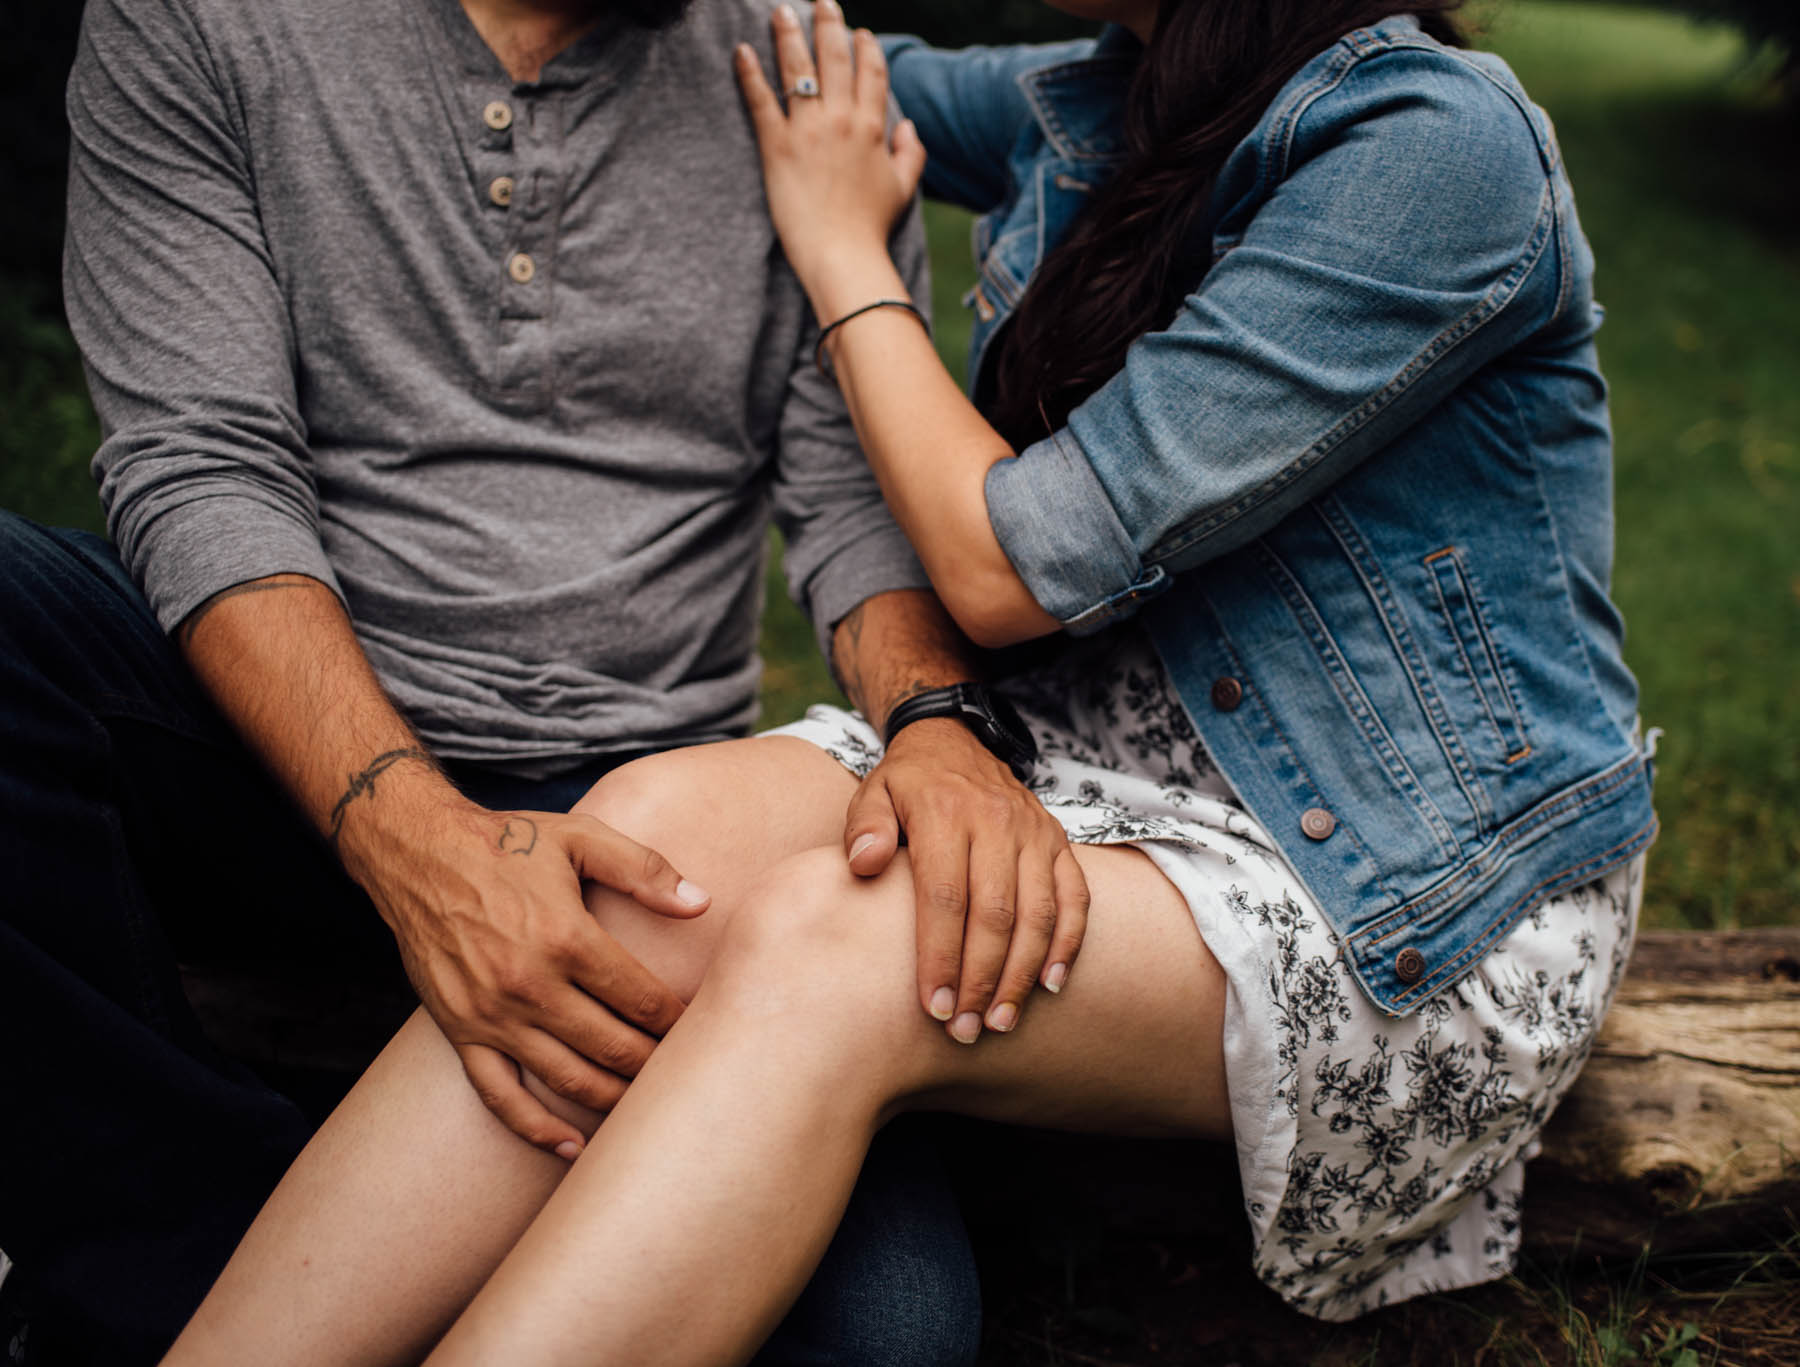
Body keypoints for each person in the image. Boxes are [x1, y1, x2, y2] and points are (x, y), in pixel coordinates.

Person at [163, 0, 1660, 1359]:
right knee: (649, 849)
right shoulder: (1114, 95)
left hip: (1404, 890)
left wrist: (836, 252)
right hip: (1104, 764)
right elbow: (781, 69)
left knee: (848, 942)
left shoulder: (1436, 149)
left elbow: (1007, 569)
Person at [0, 0, 1072, 1361]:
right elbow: (204, 472)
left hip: (644, 826)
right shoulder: (201, 21)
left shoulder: (793, 67)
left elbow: (856, 516)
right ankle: (177, 1270)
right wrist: (418, 845)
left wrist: (934, 720)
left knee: (892, 1334)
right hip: (274, 740)